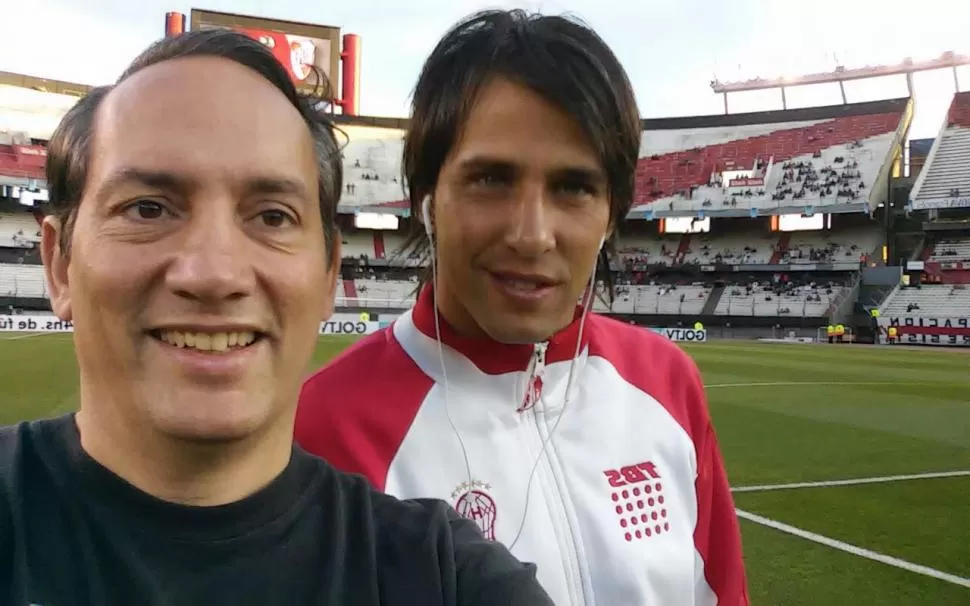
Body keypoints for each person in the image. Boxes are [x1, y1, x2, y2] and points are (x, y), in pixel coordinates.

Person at [0, 29, 553, 606]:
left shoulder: (448, 580)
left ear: (327, 275)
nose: (215, 274)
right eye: (148, 208)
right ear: (59, 265)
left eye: (271, 216)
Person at [296, 9, 749, 606]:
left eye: (573, 187)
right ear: (429, 200)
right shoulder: (322, 426)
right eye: (491, 179)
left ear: (611, 211)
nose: (532, 235)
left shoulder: (667, 384)